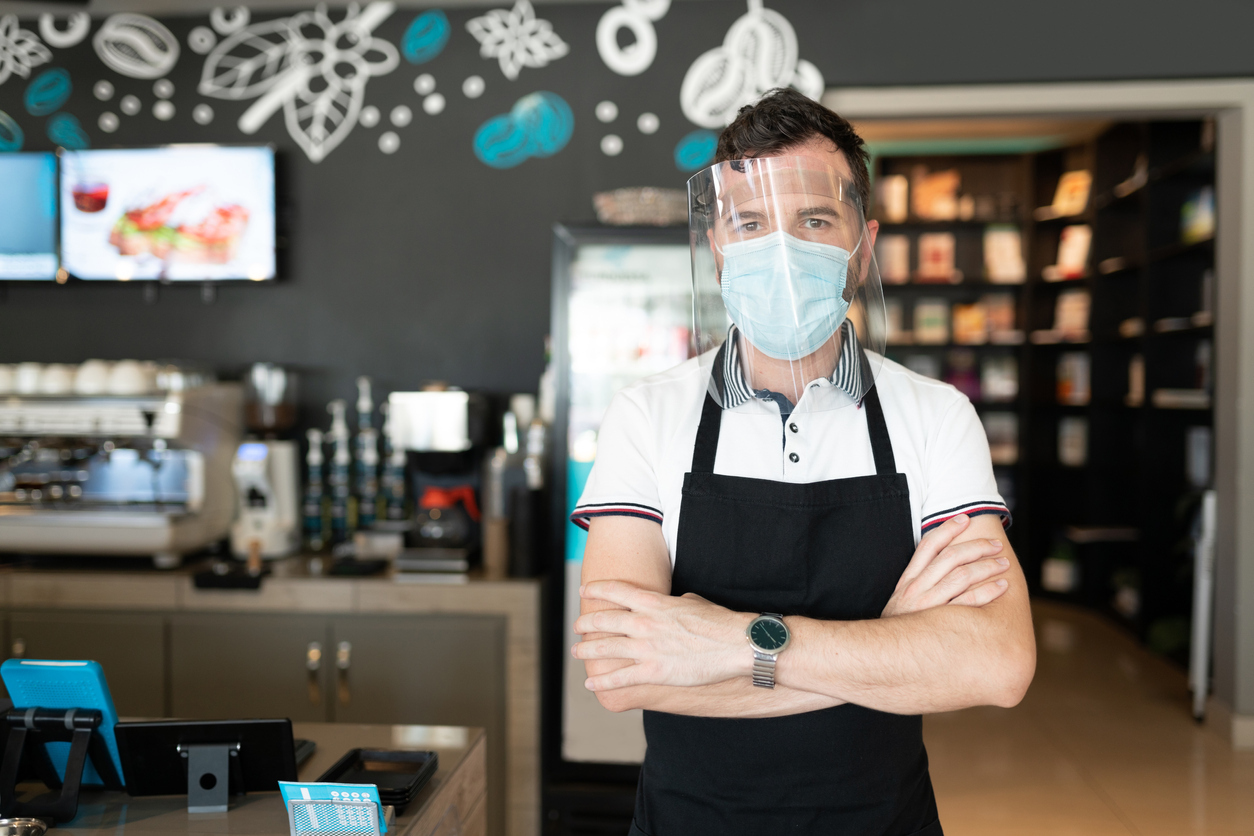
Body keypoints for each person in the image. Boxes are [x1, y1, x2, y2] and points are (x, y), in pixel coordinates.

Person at [568, 88, 1036, 836]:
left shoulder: (936, 416)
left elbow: (999, 665)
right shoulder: (647, 416)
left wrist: (726, 644)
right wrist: (889, 639)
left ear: (862, 243)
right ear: (719, 246)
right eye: (750, 224)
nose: (778, 251)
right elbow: (622, 670)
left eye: (814, 220)